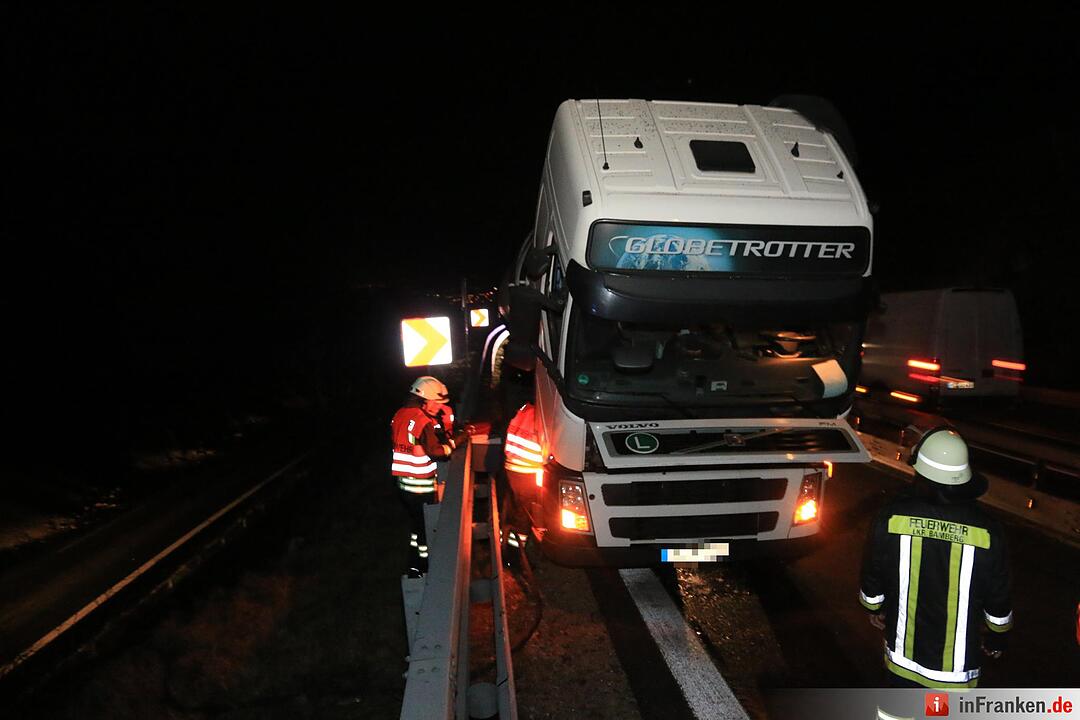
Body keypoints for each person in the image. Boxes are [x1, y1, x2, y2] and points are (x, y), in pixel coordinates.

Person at [860, 427, 1012, 690]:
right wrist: (997, 638)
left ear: (920, 471)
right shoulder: (988, 531)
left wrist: (875, 609)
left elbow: (873, 576)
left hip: (902, 664)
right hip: (956, 674)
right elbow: (998, 598)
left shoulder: (891, 517)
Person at [391, 376, 454, 577]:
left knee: (417, 526)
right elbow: (436, 452)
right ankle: (426, 568)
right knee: (426, 530)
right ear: (424, 400)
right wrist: (452, 445)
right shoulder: (422, 421)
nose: (439, 407)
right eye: (436, 402)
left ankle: (413, 564)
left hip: (403, 486)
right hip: (421, 487)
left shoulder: (400, 415)